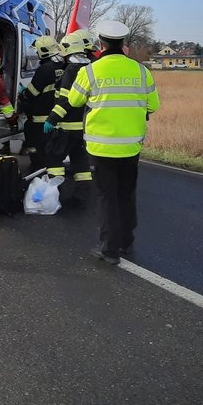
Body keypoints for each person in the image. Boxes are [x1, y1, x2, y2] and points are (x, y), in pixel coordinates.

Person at [64, 20, 159, 264]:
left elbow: (74, 101)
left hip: (101, 147)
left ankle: (109, 249)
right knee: (126, 193)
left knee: (107, 196)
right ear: (124, 44)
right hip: (130, 147)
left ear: (100, 44)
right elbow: (153, 106)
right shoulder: (141, 71)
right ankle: (126, 241)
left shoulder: (90, 71)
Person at [42, 29, 97, 207]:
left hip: (66, 127)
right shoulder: (91, 69)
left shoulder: (72, 70)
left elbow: (65, 99)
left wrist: (52, 119)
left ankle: (55, 196)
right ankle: (82, 197)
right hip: (85, 128)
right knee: (81, 162)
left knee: (53, 159)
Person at [18, 36, 64, 171]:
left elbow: (31, 93)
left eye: (38, 51)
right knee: (51, 151)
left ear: (43, 51)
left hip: (39, 121)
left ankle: (37, 168)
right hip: (57, 116)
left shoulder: (44, 69)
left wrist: (22, 94)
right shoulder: (64, 66)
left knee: (35, 147)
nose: (37, 55)